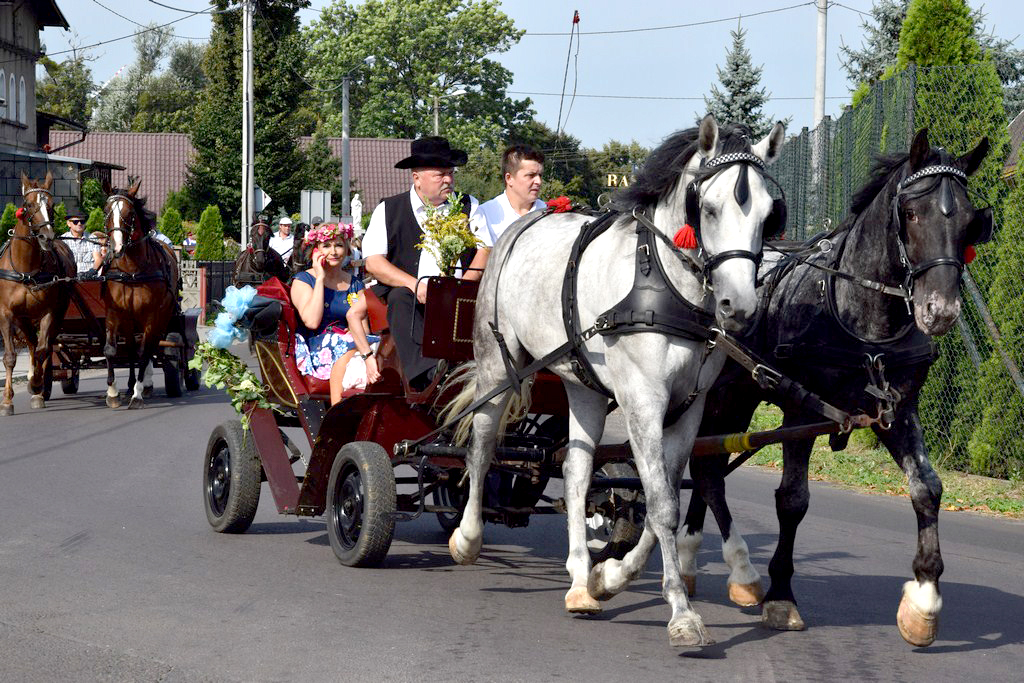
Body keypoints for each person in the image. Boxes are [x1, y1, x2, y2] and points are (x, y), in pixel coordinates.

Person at [362, 136, 485, 390]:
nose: (449, 180)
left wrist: (462, 285)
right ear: (416, 177)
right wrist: (414, 284)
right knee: (399, 298)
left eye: (451, 173)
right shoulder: (388, 209)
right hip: (411, 296)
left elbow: (485, 250)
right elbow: (373, 262)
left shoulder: (469, 205)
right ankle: (425, 374)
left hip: (461, 294)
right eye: (441, 174)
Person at [290, 222, 380, 405]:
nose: (333, 251)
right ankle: (337, 407)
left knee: (382, 345)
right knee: (348, 344)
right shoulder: (304, 280)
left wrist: (354, 333)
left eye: (339, 245)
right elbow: (312, 322)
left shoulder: (355, 284)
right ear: (316, 250)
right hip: (317, 346)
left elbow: (364, 328)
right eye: (326, 246)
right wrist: (320, 278)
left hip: (353, 340)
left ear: (347, 250)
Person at [471, 144, 546, 274]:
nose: (538, 181)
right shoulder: (484, 214)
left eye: (540, 175)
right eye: (531, 175)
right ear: (509, 178)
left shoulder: (549, 213)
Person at [59, 207, 102, 275]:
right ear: (68, 223)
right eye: (75, 222)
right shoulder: (62, 240)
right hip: (69, 278)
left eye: (82, 221)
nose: (79, 224)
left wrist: (92, 271)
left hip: (90, 278)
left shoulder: (93, 238)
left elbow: (98, 258)